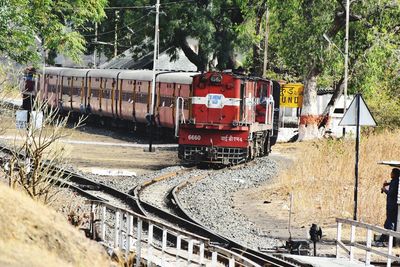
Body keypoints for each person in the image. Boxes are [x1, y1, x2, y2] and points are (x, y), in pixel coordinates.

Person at [378, 168, 400, 243]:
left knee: (390, 222)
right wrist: (387, 184)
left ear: (394, 174)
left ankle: (388, 239)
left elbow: (391, 193)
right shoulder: (395, 181)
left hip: (392, 205)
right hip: (391, 205)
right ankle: (384, 238)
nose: (390, 173)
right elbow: (392, 183)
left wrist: (384, 189)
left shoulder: (395, 182)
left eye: (392, 172)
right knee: (389, 221)